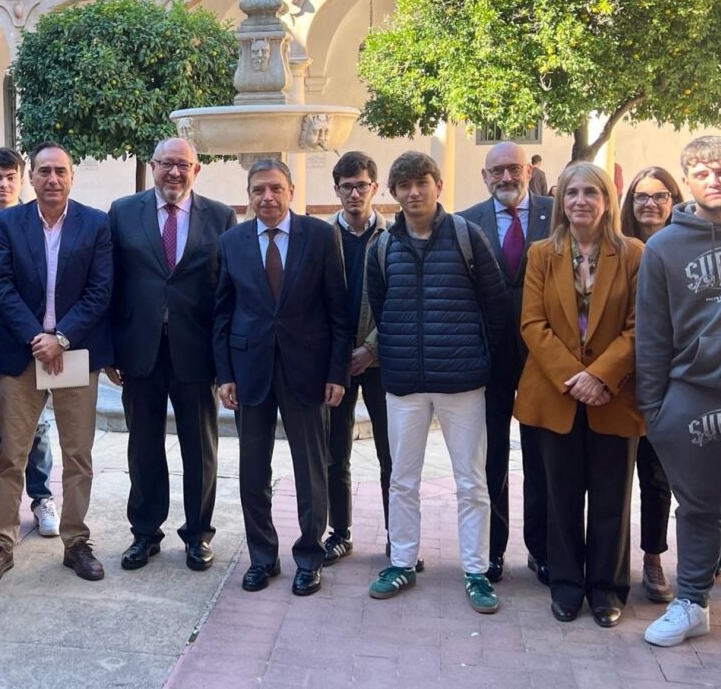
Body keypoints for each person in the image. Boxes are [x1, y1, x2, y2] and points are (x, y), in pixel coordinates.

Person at [366, 151, 508, 614]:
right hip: (404, 381)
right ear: (393, 193)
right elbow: (382, 306)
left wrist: (484, 359)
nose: (413, 193)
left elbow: (496, 304)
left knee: (472, 481)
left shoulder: (469, 237)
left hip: (462, 381)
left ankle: (476, 571)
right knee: (402, 480)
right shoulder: (383, 248)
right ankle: (402, 561)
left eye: (421, 183)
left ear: (438, 185)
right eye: (403, 186)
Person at [0, 141, 114, 586]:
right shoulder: (9, 222)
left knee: (78, 455)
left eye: (60, 171)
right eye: (44, 172)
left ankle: (76, 542)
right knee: (10, 455)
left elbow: (100, 290)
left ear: (72, 177)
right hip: (22, 353)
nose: (52, 179)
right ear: (30, 177)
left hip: (74, 352)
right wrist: (38, 338)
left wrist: (62, 337)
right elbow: (1, 285)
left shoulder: (96, 224)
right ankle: (1, 544)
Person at [214, 158, 350, 597]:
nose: (267, 197)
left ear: (291, 191)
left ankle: (309, 557)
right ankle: (262, 557)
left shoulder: (321, 236)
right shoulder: (231, 241)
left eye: (275, 188)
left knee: (311, 469)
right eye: (258, 190)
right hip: (250, 371)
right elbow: (222, 313)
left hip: (307, 371)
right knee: (253, 470)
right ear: (249, 195)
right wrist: (225, 375)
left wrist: (337, 372)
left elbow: (339, 312)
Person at [516, 162, 644, 628]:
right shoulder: (541, 255)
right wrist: (575, 376)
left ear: (607, 200)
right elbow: (532, 323)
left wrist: (602, 376)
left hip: (615, 396)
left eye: (591, 193)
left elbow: (639, 326)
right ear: (560, 201)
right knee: (561, 496)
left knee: (612, 498)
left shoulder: (633, 254)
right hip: (556, 395)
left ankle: (607, 589)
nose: (580, 202)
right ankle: (567, 586)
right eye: (571, 193)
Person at [107, 137, 237, 572]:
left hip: (196, 353)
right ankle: (145, 533)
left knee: (200, 448)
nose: (174, 173)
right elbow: (111, 284)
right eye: (167, 164)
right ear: (153, 166)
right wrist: (110, 348)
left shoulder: (220, 217)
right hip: (139, 351)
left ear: (196, 170)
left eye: (183, 165)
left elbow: (226, 294)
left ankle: (198, 535)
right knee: (143, 447)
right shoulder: (123, 212)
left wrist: (226, 363)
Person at [638, 135, 721, 647]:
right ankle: (692, 602)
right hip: (694, 394)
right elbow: (652, 334)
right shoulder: (663, 248)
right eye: (702, 173)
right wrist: (656, 412)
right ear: (689, 182)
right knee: (698, 507)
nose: (714, 180)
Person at [458, 141, 553, 585]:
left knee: (542, 455)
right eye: (496, 172)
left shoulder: (557, 214)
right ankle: (492, 551)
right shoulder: (466, 222)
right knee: (491, 455)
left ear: (529, 171)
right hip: (490, 355)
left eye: (513, 169)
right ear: (484, 176)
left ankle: (543, 549)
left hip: (544, 355)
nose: (505, 178)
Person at [0, 148, 58, 538]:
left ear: (21, 179)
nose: (3, 184)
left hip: (38, 340)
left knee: (39, 425)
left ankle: (41, 497)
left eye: (10, 176)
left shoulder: (36, 220)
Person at [324, 151, 398, 567]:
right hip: (335, 365)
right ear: (336, 190)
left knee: (391, 453)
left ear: (375, 188)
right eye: (346, 186)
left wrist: (370, 348)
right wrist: (339, 355)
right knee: (335, 452)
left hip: (381, 362)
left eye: (362, 185)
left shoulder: (391, 239)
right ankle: (339, 532)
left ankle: (397, 537)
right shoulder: (319, 238)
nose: (354, 193)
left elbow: (400, 301)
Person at [619, 166, 684, 604]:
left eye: (660, 196)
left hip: (671, 380)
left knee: (657, 478)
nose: (650, 204)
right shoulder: (619, 249)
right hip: (624, 381)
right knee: (616, 476)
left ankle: (653, 558)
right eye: (641, 197)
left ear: (673, 199)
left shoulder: (685, 246)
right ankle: (612, 558)